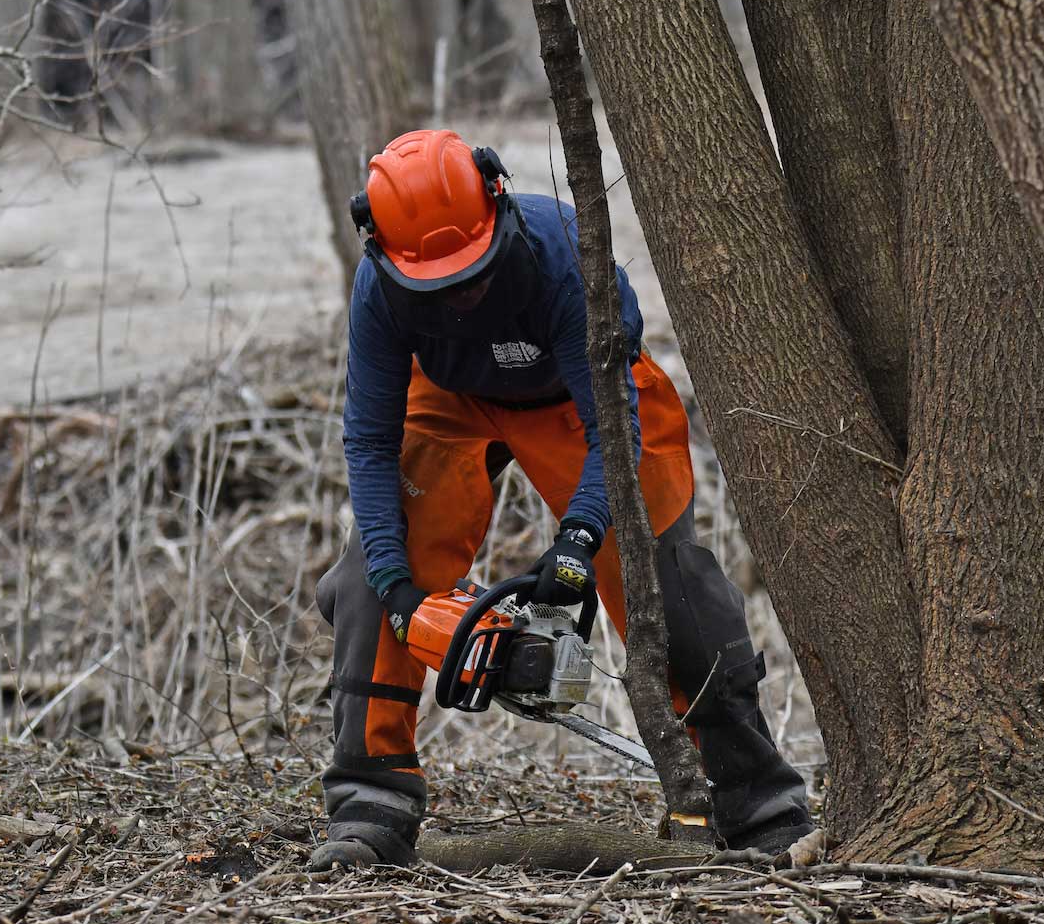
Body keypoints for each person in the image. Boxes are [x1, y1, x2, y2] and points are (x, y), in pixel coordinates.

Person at [310, 129, 814, 870]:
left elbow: (615, 422)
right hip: (449, 400)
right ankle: (370, 804)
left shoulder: (563, 260)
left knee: (665, 579)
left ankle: (755, 798)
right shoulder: (379, 291)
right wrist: (394, 586)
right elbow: (370, 440)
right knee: (363, 580)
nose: (461, 297)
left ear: (499, 206)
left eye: (472, 275)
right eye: (436, 286)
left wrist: (579, 540)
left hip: (585, 403)